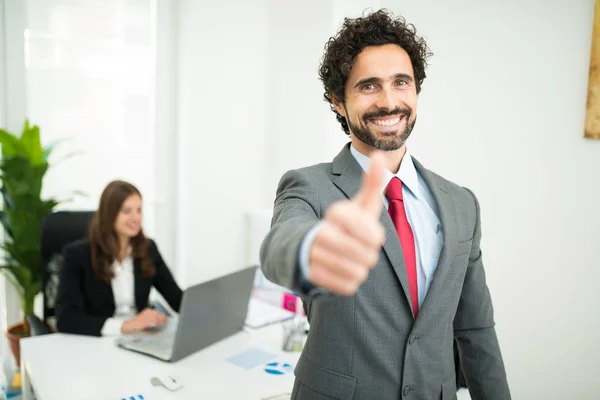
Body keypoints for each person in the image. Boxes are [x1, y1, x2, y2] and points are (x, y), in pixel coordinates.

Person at [260, 9, 511, 400]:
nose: (389, 101)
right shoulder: (308, 186)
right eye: (368, 86)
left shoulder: (462, 204)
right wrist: (312, 249)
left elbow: (475, 329)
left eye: (401, 82)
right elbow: (280, 245)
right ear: (338, 102)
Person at [55, 180, 182, 337]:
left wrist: (209, 308)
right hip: (98, 339)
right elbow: (67, 319)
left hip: (139, 337)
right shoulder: (77, 255)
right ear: (109, 214)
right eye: (127, 211)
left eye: (139, 210)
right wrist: (125, 326)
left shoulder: (148, 249)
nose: (136, 218)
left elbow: (176, 299)